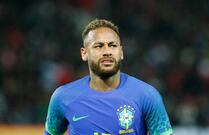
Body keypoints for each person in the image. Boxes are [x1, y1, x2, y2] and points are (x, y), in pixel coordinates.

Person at [44, 19, 173, 135]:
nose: (107, 51)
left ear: (121, 52)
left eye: (113, 45)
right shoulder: (63, 97)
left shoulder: (147, 95)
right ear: (84, 53)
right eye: (98, 46)